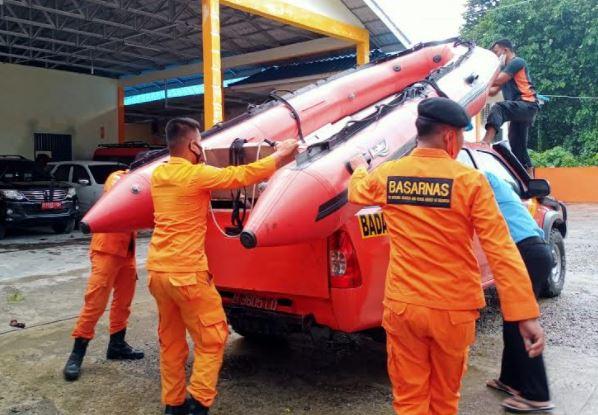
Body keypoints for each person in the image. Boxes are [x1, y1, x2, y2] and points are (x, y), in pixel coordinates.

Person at [348, 97, 545, 415]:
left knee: (410, 399)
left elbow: (357, 192)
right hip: (452, 311)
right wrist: (524, 314)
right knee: (444, 399)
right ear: (450, 136)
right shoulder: (471, 181)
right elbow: (501, 250)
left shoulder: (388, 175)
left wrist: (358, 169)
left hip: (404, 307)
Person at [147, 117, 298, 415]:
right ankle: (199, 404)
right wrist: (281, 155)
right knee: (213, 336)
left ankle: (173, 404)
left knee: (172, 342)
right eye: (199, 144)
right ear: (192, 145)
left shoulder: (158, 175)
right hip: (187, 274)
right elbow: (240, 176)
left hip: (158, 273)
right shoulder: (196, 175)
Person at [483, 171, 555, 413]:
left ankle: (537, 394)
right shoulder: (496, 181)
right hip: (534, 250)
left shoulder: (477, 178)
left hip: (524, 252)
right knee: (512, 321)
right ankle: (510, 379)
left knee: (520, 320)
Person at [64, 169, 143, 382]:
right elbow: (123, 195)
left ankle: (117, 345)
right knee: (95, 303)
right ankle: (77, 354)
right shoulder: (118, 177)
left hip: (127, 252)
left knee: (123, 302)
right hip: (106, 251)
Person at [481, 39, 540, 176]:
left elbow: (499, 80)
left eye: (496, 52)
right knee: (517, 147)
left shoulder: (517, 62)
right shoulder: (504, 70)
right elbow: (493, 91)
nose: (495, 56)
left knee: (499, 108)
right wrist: (477, 90)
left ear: (505, 50)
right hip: (519, 110)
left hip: (527, 105)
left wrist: (479, 78)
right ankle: (530, 180)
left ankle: (486, 142)